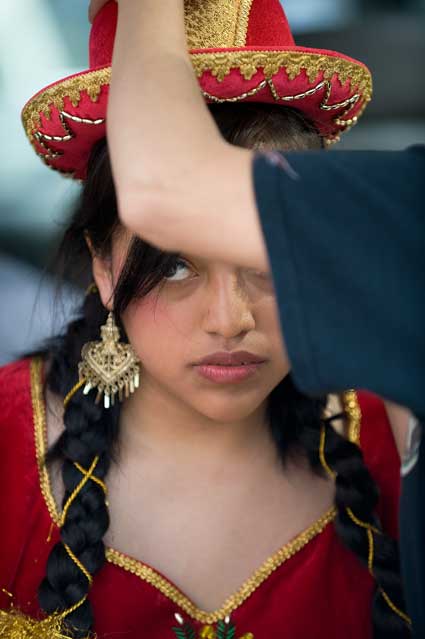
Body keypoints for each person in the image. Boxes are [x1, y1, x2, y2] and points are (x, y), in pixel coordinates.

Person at [0, 2, 412, 639]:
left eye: (266, 259)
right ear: (103, 268)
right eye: (173, 269)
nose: (230, 319)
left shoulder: (398, 433)